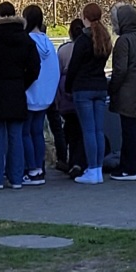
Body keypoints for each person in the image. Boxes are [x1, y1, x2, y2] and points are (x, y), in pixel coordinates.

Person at [0, 2, 41, 190]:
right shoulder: (26, 40)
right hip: (17, 90)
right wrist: (22, 83)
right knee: (16, 136)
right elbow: (34, 68)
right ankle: (16, 178)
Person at [66, 3, 113, 185]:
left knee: (88, 131)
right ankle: (97, 169)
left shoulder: (82, 40)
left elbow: (74, 66)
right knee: (99, 130)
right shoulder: (104, 38)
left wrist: (68, 87)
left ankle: (92, 168)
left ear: (84, 17)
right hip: (100, 86)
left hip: (83, 88)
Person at [108, 3, 136, 182]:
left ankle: (129, 168)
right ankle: (133, 164)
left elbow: (120, 69)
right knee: (134, 127)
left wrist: (112, 88)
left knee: (128, 129)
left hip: (126, 89)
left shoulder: (123, 41)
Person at [22, 5, 59, 186]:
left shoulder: (27, 41)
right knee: (38, 132)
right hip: (45, 97)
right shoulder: (48, 43)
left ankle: (31, 169)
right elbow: (54, 70)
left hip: (29, 94)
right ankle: (39, 167)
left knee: (25, 133)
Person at [56, 19, 87, 178]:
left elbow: (57, 71)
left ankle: (66, 159)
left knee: (70, 127)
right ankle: (78, 162)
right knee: (81, 130)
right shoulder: (88, 47)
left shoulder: (63, 50)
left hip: (65, 93)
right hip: (82, 88)